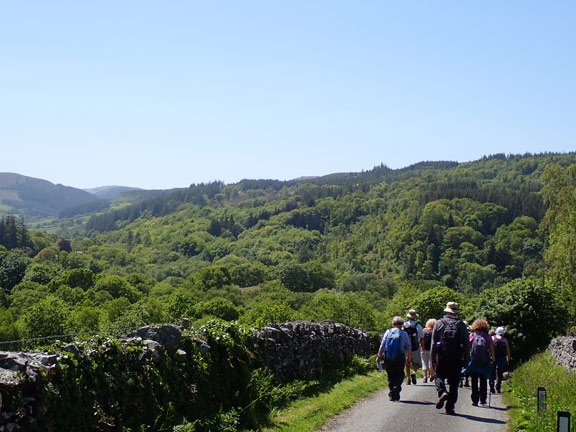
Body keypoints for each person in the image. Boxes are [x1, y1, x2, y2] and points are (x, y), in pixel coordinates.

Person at [431, 301, 470, 415]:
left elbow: (433, 343)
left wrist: (433, 360)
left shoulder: (439, 323)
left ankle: (442, 391)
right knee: (454, 384)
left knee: (439, 377)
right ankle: (450, 407)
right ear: (456, 312)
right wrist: (466, 361)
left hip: (442, 358)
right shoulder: (461, 325)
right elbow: (467, 345)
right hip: (457, 359)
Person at [377, 316, 412, 401]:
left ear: (393, 324)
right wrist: (408, 357)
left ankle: (391, 393)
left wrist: (378, 356)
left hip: (388, 357)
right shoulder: (404, 333)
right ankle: (397, 386)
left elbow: (382, 344)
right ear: (402, 324)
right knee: (400, 374)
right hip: (400, 357)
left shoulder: (388, 332)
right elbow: (408, 347)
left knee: (390, 374)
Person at [465, 318, 495, 406]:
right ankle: (483, 399)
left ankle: (475, 400)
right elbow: (492, 348)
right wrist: (493, 358)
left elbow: (468, 347)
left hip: (473, 361)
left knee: (474, 380)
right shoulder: (488, 336)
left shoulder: (472, 335)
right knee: (483, 380)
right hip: (484, 361)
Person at [403, 309, 424, 385]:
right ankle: (414, 372)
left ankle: (408, 378)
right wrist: (422, 347)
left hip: (406, 347)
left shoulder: (404, 325)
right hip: (415, 347)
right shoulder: (418, 326)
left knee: (407, 363)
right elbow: (422, 337)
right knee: (417, 363)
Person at [491, 326, 511, 393]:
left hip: (493, 357)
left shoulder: (492, 338)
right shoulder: (504, 340)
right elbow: (507, 349)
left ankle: (491, 387)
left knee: (492, 372)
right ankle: (498, 388)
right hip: (501, 357)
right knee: (499, 373)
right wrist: (508, 357)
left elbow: (490, 348)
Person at [422, 318, 436, 383]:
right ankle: (431, 375)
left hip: (423, 349)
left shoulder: (424, 330)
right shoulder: (434, 331)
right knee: (431, 363)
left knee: (424, 362)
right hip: (432, 349)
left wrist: (422, 348)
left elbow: (421, 339)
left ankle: (425, 377)